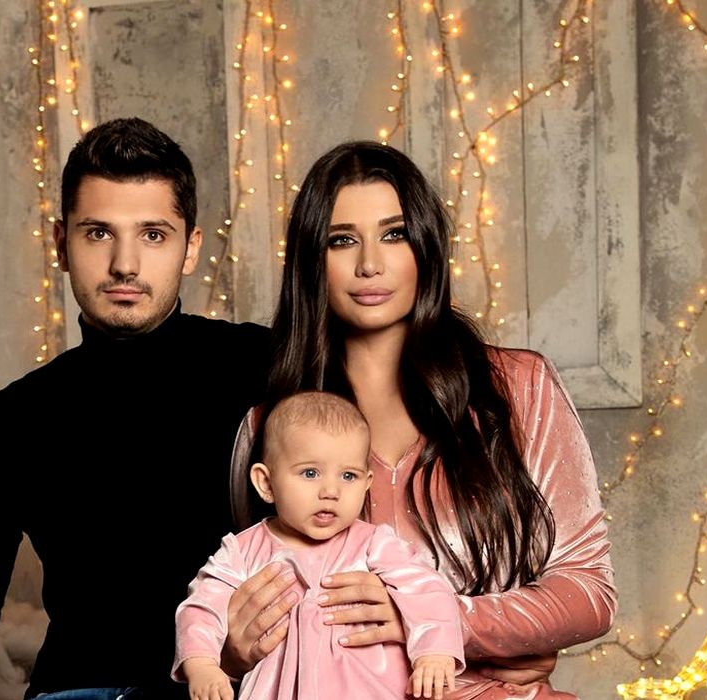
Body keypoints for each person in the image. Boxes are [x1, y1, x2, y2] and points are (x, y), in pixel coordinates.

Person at [223, 141, 616, 699]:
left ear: (426, 246)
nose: (370, 264)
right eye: (341, 240)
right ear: (312, 260)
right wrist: (231, 652)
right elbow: (254, 617)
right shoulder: (269, 427)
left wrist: (449, 623)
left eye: (394, 234)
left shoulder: (517, 386)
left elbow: (589, 590)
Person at [0, 118, 270, 699]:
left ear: (191, 248)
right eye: (99, 233)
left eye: (153, 234)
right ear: (61, 244)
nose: (125, 264)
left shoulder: (262, 367)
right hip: (78, 690)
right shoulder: (15, 417)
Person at [174, 391, 463, 700]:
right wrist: (202, 664)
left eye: (348, 476)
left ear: (366, 484)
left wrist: (434, 652)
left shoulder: (374, 544)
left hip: (369, 690)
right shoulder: (242, 552)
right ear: (266, 483)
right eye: (310, 473)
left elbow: (427, 590)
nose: (331, 491)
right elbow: (202, 608)